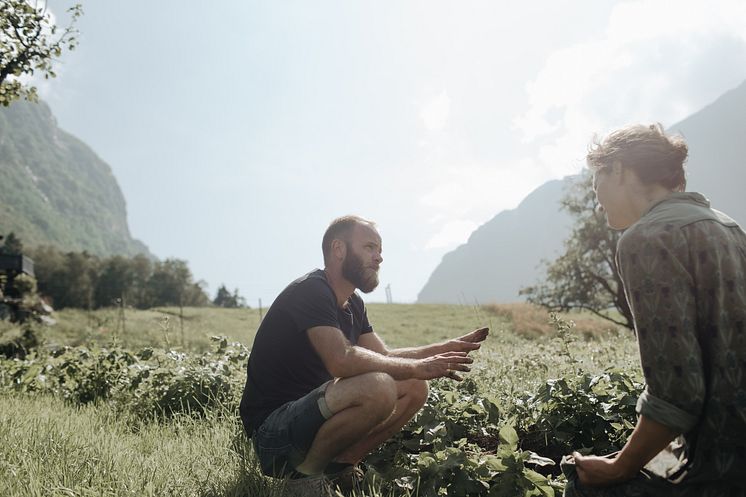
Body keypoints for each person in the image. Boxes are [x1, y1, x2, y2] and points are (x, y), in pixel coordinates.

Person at [240, 215, 489, 496]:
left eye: (380, 250)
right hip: (273, 434)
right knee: (379, 386)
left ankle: (339, 468)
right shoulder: (311, 290)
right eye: (369, 247)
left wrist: (442, 349)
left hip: (311, 420)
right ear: (339, 249)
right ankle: (301, 482)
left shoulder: (354, 303)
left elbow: (382, 355)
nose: (379, 257)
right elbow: (341, 359)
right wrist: (418, 365)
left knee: (415, 387)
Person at [562, 124, 746, 496]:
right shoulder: (731, 228)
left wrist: (618, 467)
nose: (597, 200)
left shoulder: (646, 238)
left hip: (718, 466)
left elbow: (678, 393)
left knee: (582, 485)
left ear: (618, 170)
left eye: (597, 184)